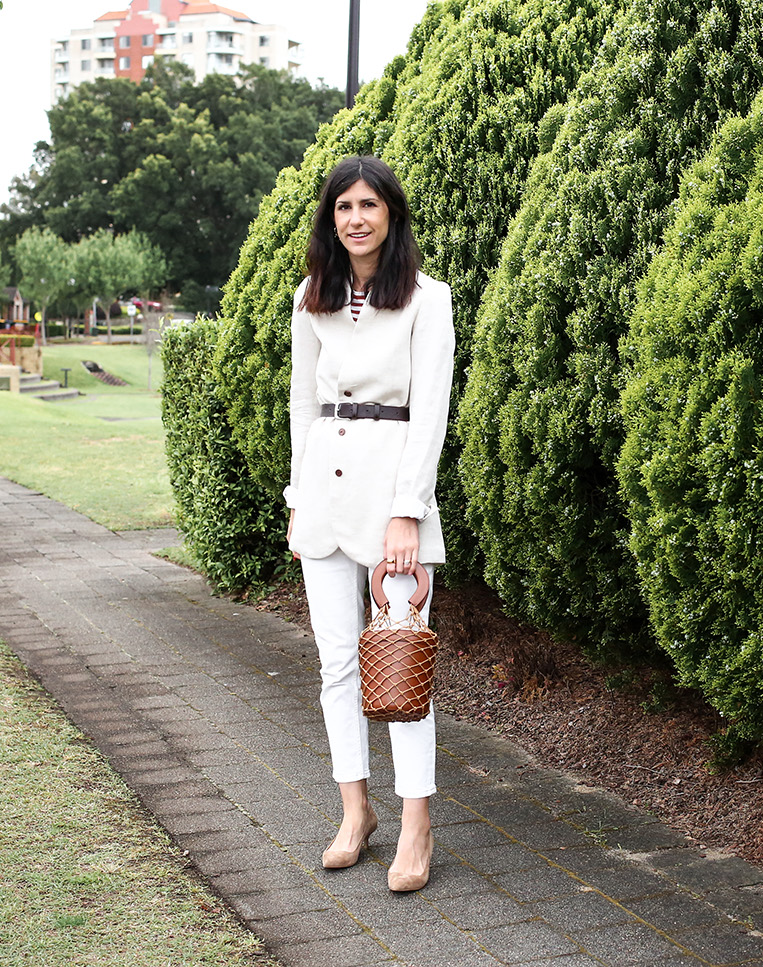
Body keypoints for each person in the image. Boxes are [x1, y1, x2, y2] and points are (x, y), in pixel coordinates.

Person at [283, 155, 453, 893]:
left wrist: (407, 512)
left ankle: (417, 824)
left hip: (393, 506)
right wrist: (296, 497)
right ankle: (356, 811)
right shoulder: (310, 296)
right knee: (336, 666)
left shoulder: (427, 299)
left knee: (402, 665)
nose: (355, 218)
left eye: (368, 205)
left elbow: (431, 413)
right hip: (321, 497)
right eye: (343, 206)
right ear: (331, 218)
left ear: (391, 215)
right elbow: (302, 407)